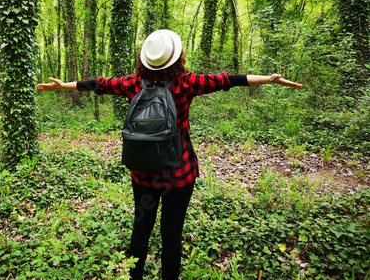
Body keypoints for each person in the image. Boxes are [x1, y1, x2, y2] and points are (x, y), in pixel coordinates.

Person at [38, 29, 302, 279]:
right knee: (171, 234)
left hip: (143, 174)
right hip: (179, 173)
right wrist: (267, 79)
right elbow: (227, 80)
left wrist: (65, 86)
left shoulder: (132, 84)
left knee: (141, 229)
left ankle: (135, 276)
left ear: (145, 61)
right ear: (177, 58)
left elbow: (99, 84)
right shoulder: (186, 83)